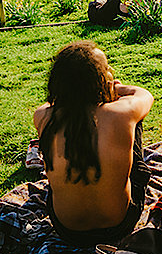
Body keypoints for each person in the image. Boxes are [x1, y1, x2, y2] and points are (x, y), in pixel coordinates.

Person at [33, 41, 153, 243]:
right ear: (98, 79)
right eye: (106, 68)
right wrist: (117, 88)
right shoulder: (121, 113)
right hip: (120, 225)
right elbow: (144, 96)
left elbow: (55, 103)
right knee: (135, 122)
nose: (111, 71)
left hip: (67, 229)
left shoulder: (43, 117)